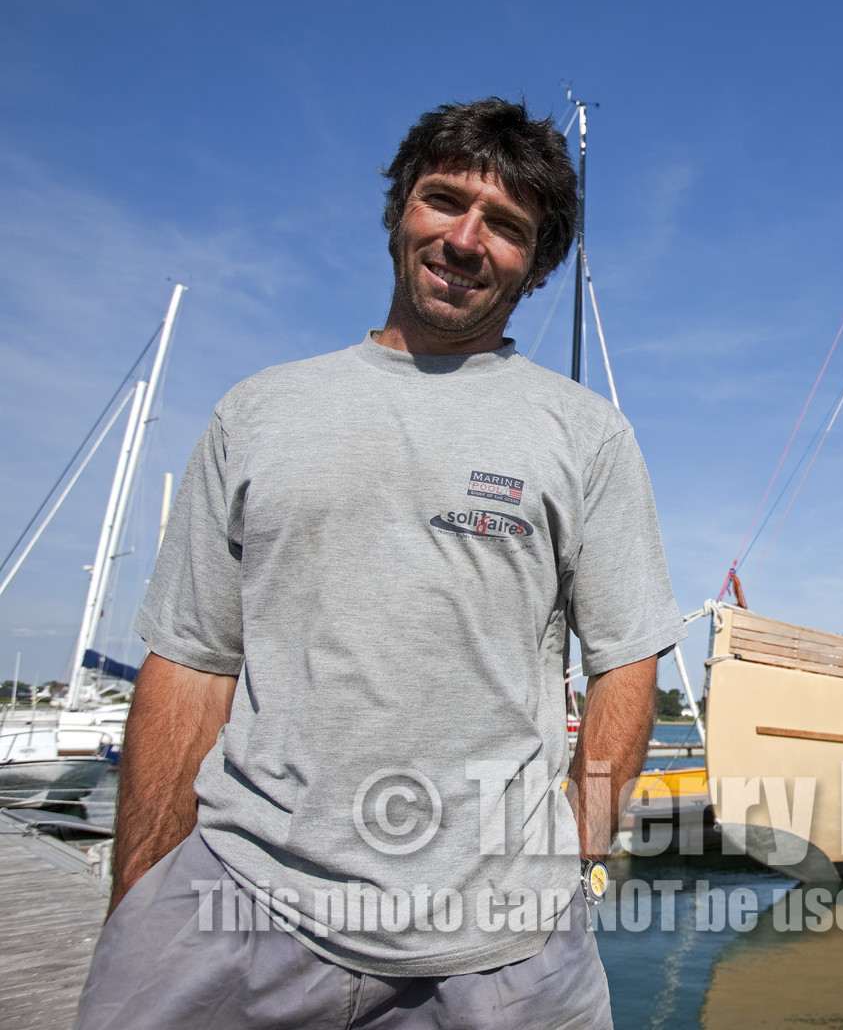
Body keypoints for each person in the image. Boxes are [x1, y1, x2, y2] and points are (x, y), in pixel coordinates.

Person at [75, 97, 683, 1030]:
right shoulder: (260, 413)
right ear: (401, 209)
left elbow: (625, 661)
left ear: (537, 262)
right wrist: (139, 897)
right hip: (240, 900)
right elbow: (194, 661)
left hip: (505, 945)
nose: (466, 239)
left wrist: (577, 849)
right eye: (444, 202)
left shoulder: (587, 437)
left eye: (507, 227)